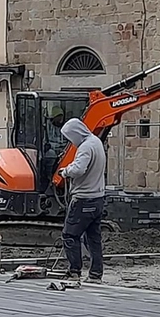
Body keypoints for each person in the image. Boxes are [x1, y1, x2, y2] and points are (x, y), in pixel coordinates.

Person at [57, 118, 107, 283]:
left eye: (70, 137)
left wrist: (65, 171)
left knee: (70, 235)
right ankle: (95, 274)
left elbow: (79, 169)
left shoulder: (85, 147)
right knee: (93, 238)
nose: (71, 141)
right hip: (98, 198)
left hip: (84, 199)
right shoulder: (97, 142)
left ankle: (74, 271)